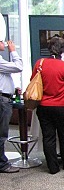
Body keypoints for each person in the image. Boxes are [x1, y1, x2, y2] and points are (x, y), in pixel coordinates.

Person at [32, 36, 64, 174]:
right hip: (62, 106)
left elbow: (33, 81)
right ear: (63, 50)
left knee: (48, 136)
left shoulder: (40, 63)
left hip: (44, 105)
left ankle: (52, 167)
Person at [0, 39, 23, 174]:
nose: (5, 43)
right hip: (2, 100)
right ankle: (2, 164)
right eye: (1, 41)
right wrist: (13, 51)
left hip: (5, 97)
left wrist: (12, 89)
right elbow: (18, 67)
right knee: (2, 133)